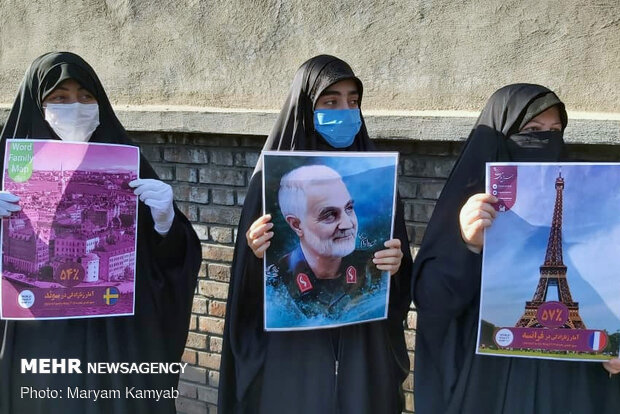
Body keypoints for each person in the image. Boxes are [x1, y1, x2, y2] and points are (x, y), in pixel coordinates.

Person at [0, 52, 201, 414]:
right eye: (59, 98)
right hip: (37, 348)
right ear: (36, 103)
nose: (75, 107)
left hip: (115, 345)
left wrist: (166, 223)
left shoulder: (129, 164)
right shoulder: (6, 172)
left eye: (86, 96)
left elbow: (171, 261)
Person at [218, 55, 413, 414]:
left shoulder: (383, 178)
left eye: (353, 101)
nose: (345, 110)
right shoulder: (266, 185)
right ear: (307, 107)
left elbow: (398, 295)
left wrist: (396, 267)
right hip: (293, 363)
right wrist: (254, 255)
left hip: (362, 356)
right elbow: (245, 303)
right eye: (330, 101)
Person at [411, 83, 620, 413]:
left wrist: (614, 347)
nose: (548, 141)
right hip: (488, 378)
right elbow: (432, 304)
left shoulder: (591, 206)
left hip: (565, 378)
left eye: (555, 131)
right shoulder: (469, 205)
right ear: (499, 135)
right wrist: (468, 245)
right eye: (533, 130)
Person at [275, 164, 383, 319]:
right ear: (296, 225)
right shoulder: (275, 281)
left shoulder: (374, 266)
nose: (347, 224)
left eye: (349, 208)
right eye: (329, 215)